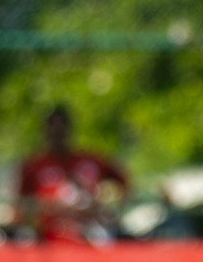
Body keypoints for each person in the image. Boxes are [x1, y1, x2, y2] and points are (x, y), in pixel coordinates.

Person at [16, 105, 128, 245]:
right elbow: (21, 205)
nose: (58, 132)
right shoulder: (33, 165)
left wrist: (103, 203)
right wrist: (49, 208)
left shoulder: (90, 160)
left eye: (62, 126)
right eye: (53, 127)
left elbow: (122, 184)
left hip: (89, 235)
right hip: (48, 239)